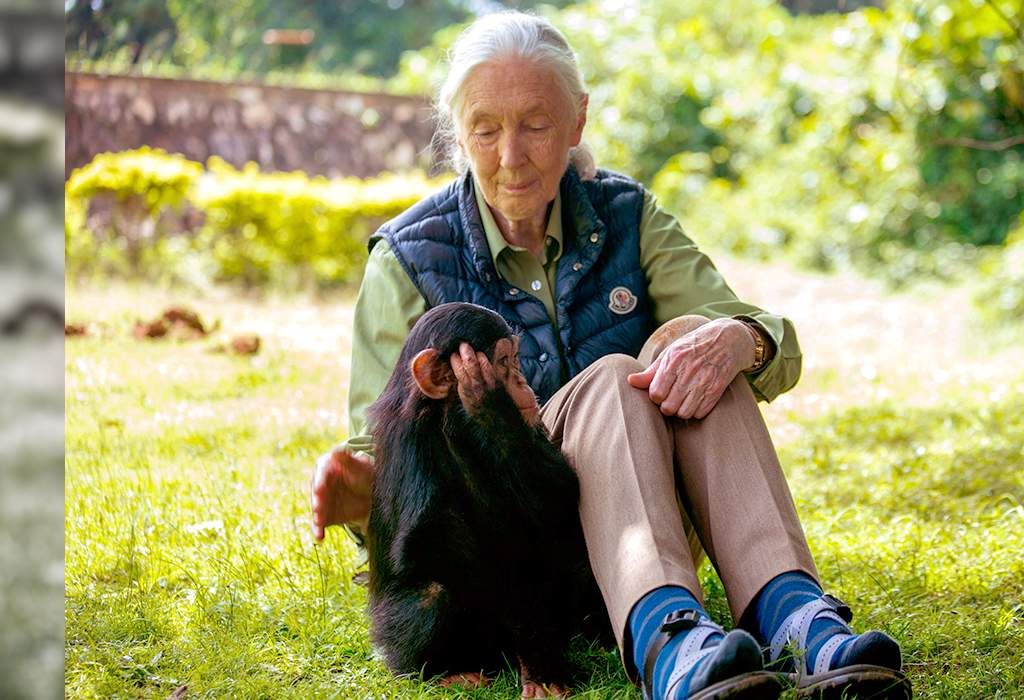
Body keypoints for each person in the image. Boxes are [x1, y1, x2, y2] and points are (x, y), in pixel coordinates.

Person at [309, 11, 909, 700]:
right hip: (518, 555)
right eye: (485, 129)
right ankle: (671, 644)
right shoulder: (408, 260)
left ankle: (798, 616)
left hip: (650, 505)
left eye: (535, 125)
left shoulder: (626, 213)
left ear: (577, 121)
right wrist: (364, 490)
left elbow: (766, 340)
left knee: (697, 341)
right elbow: (387, 472)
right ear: (458, 134)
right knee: (615, 378)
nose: (511, 155)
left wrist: (739, 340)